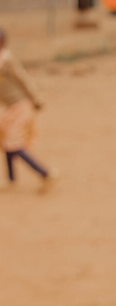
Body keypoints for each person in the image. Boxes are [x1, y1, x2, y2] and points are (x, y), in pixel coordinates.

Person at [0, 29, 55, 192]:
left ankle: (46, 173)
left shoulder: (7, 60)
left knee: (13, 144)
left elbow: (23, 78)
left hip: (21, 106)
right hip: (11, 107)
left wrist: (36, 99)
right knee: (5, 141)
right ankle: (11, 179)